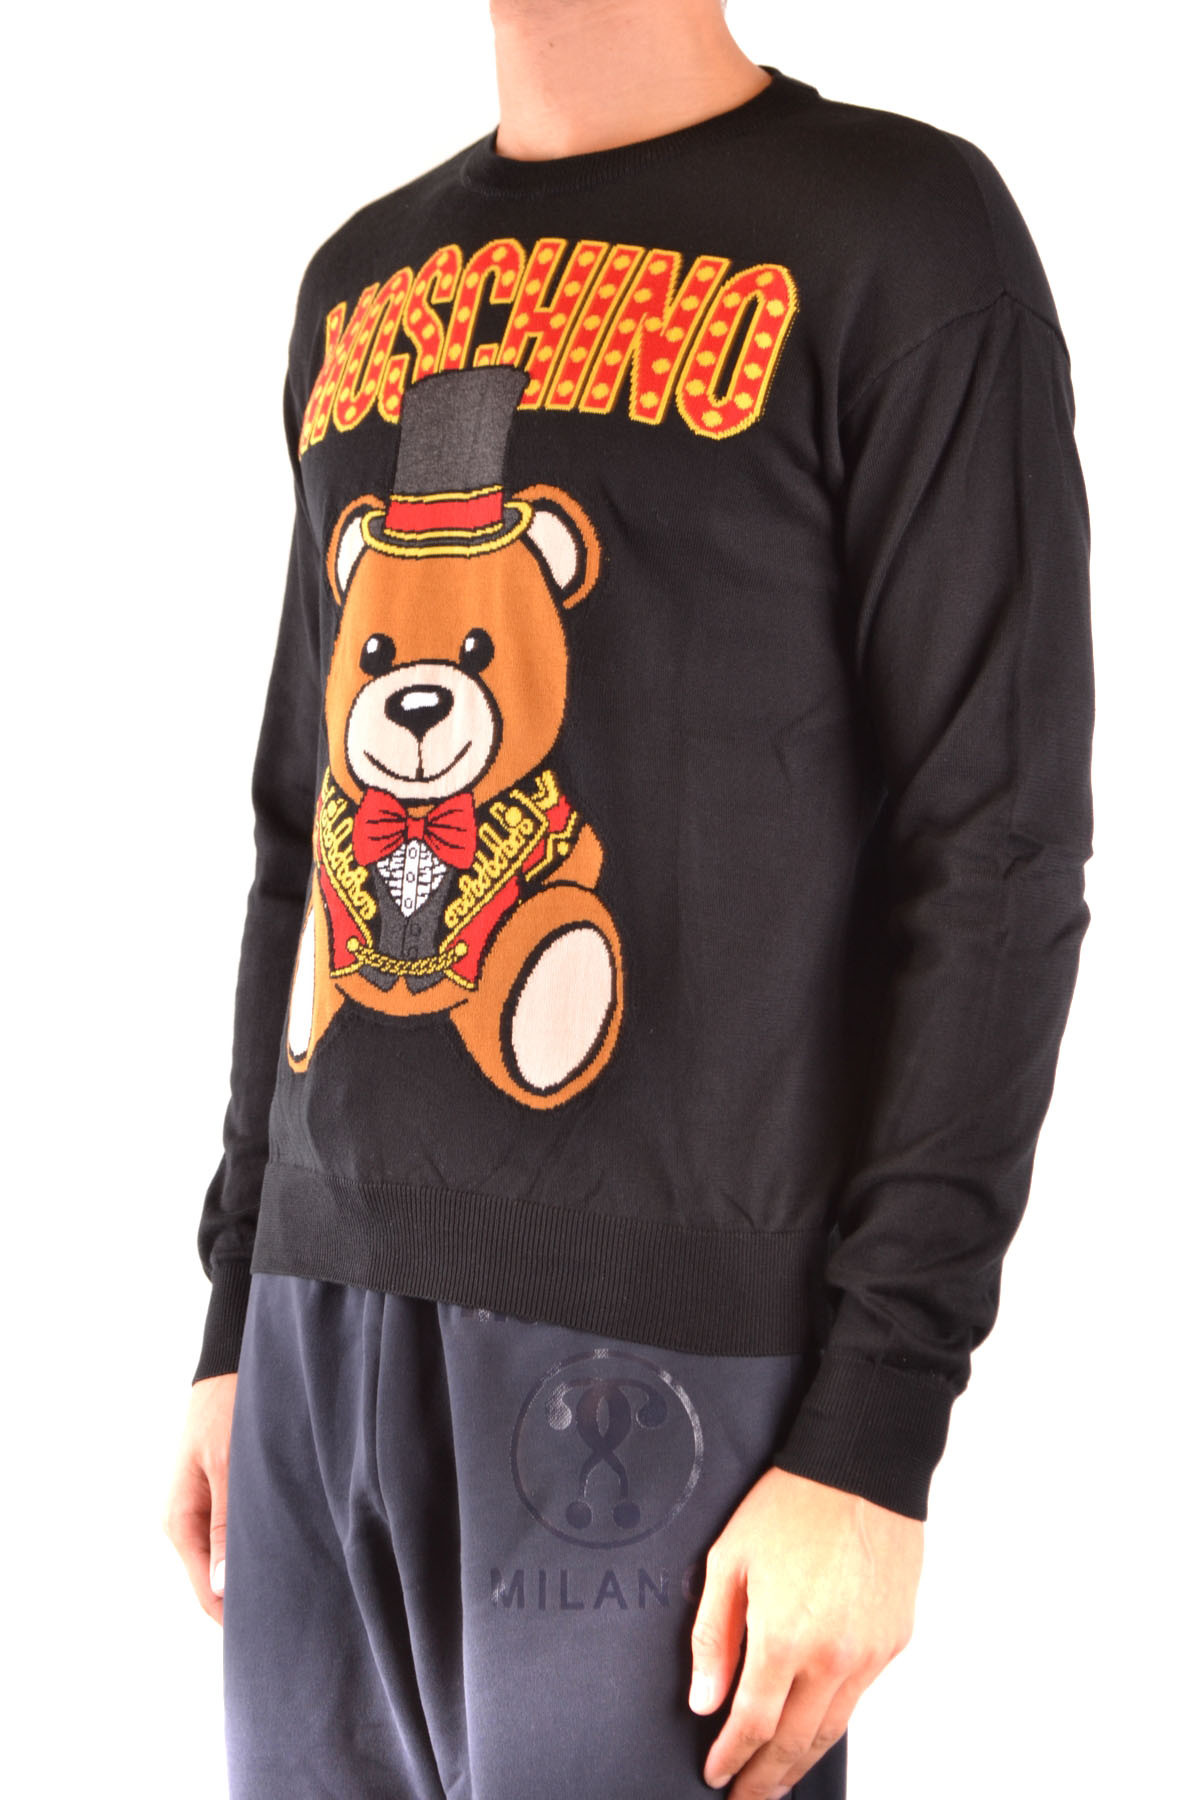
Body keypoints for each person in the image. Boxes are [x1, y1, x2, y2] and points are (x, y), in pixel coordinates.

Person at [163, 3, 1094, 1796]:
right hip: (314, 1334)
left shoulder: (897, 236)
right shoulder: (362, 284)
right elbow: (307, 826)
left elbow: (994, 857)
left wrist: (875, 1436)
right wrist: (234, 1324)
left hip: (664, 1350)